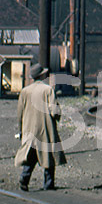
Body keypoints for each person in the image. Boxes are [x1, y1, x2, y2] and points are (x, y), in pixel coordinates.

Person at [14, 63, 66, 191]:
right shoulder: (48, 90)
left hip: (29, 129)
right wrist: (57, 118)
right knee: (48, 157)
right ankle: (48, 184)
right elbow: (54, 111)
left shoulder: (25, 91)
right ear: (42, 75)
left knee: (30, 156)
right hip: (45, 128)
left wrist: (21, 129)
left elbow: (19, 113)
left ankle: (24, 179)